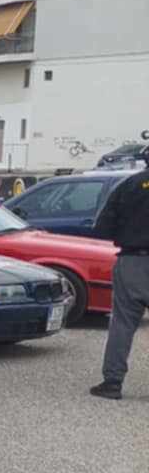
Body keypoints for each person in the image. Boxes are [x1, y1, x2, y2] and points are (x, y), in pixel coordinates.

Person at [89, 165, 149, 399]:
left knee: (122, 324)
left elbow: (103, 227)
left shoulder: (128, 185)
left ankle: (112, 383)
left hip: (132, 261)